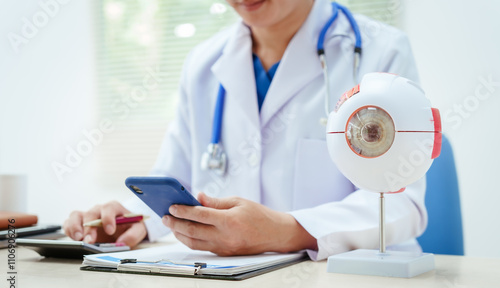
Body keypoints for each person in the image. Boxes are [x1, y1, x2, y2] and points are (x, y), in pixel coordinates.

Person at [64, 0, 426, 260]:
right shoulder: (204, 63)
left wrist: (285, 231)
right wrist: (132, 219)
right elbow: (174, 181)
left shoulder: (382, 52)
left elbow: (401, 202)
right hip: (232, 287)